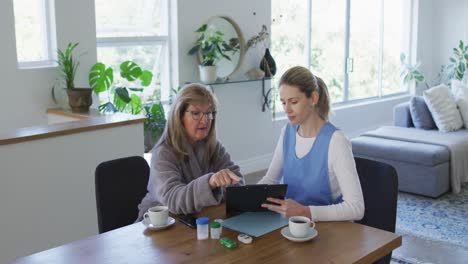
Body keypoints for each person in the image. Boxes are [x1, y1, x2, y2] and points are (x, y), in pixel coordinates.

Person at [259, 66, 364, 222]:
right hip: (293, 226)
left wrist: (305, 211)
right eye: (283, 102)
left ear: (313, 99)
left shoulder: (336, 141)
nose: (287, 109)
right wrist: (247, 196)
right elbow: (270, 180)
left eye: (293, 102)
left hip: (330, 231)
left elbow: (356, 208)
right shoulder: (287, 132)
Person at [138, 83, 243, 218]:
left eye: (208, 113)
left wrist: (219, 185)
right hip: (159, 224)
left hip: (197, 217)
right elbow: (173, 201)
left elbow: (238, 185)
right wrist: (211, 183)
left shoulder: (213, 147)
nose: (205, 120)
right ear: (180, 116)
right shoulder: (163, 153)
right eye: (196, 113)